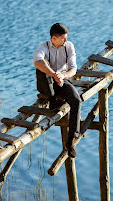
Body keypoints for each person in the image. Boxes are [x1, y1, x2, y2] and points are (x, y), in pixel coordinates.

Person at [33, 23, 81, 158]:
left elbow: (73, 69)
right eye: (63, 38)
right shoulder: (43, 47)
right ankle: (52, 100)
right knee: (42, 68)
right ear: (54, 38)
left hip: (62, 79)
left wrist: (62, 75)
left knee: (76, 101)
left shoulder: (69, 46)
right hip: (45, 82)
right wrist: (54, 74)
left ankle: (70, 142)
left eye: (66, 38)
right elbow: (37, 61)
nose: (65, 41)